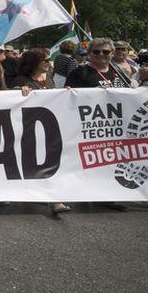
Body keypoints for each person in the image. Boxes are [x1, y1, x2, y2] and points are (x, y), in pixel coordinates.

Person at [8, 48, 71, 216]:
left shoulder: (48, 77)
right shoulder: (21, 79)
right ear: (34, 63)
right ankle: (32, 193)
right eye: (45, 60)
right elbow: (10, 99)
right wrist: (19, 91)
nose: (49, 63)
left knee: (50, 162)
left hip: (50, 127)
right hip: (29, 128)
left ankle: (54, 200)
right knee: (32, 162)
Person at [65, 38, 132, 89]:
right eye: (96, 52)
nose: (101, 54)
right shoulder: (78, 73)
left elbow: (129, 91)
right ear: (89, 54)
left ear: (112, 54)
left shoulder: (119, 71)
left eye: (106, 52)